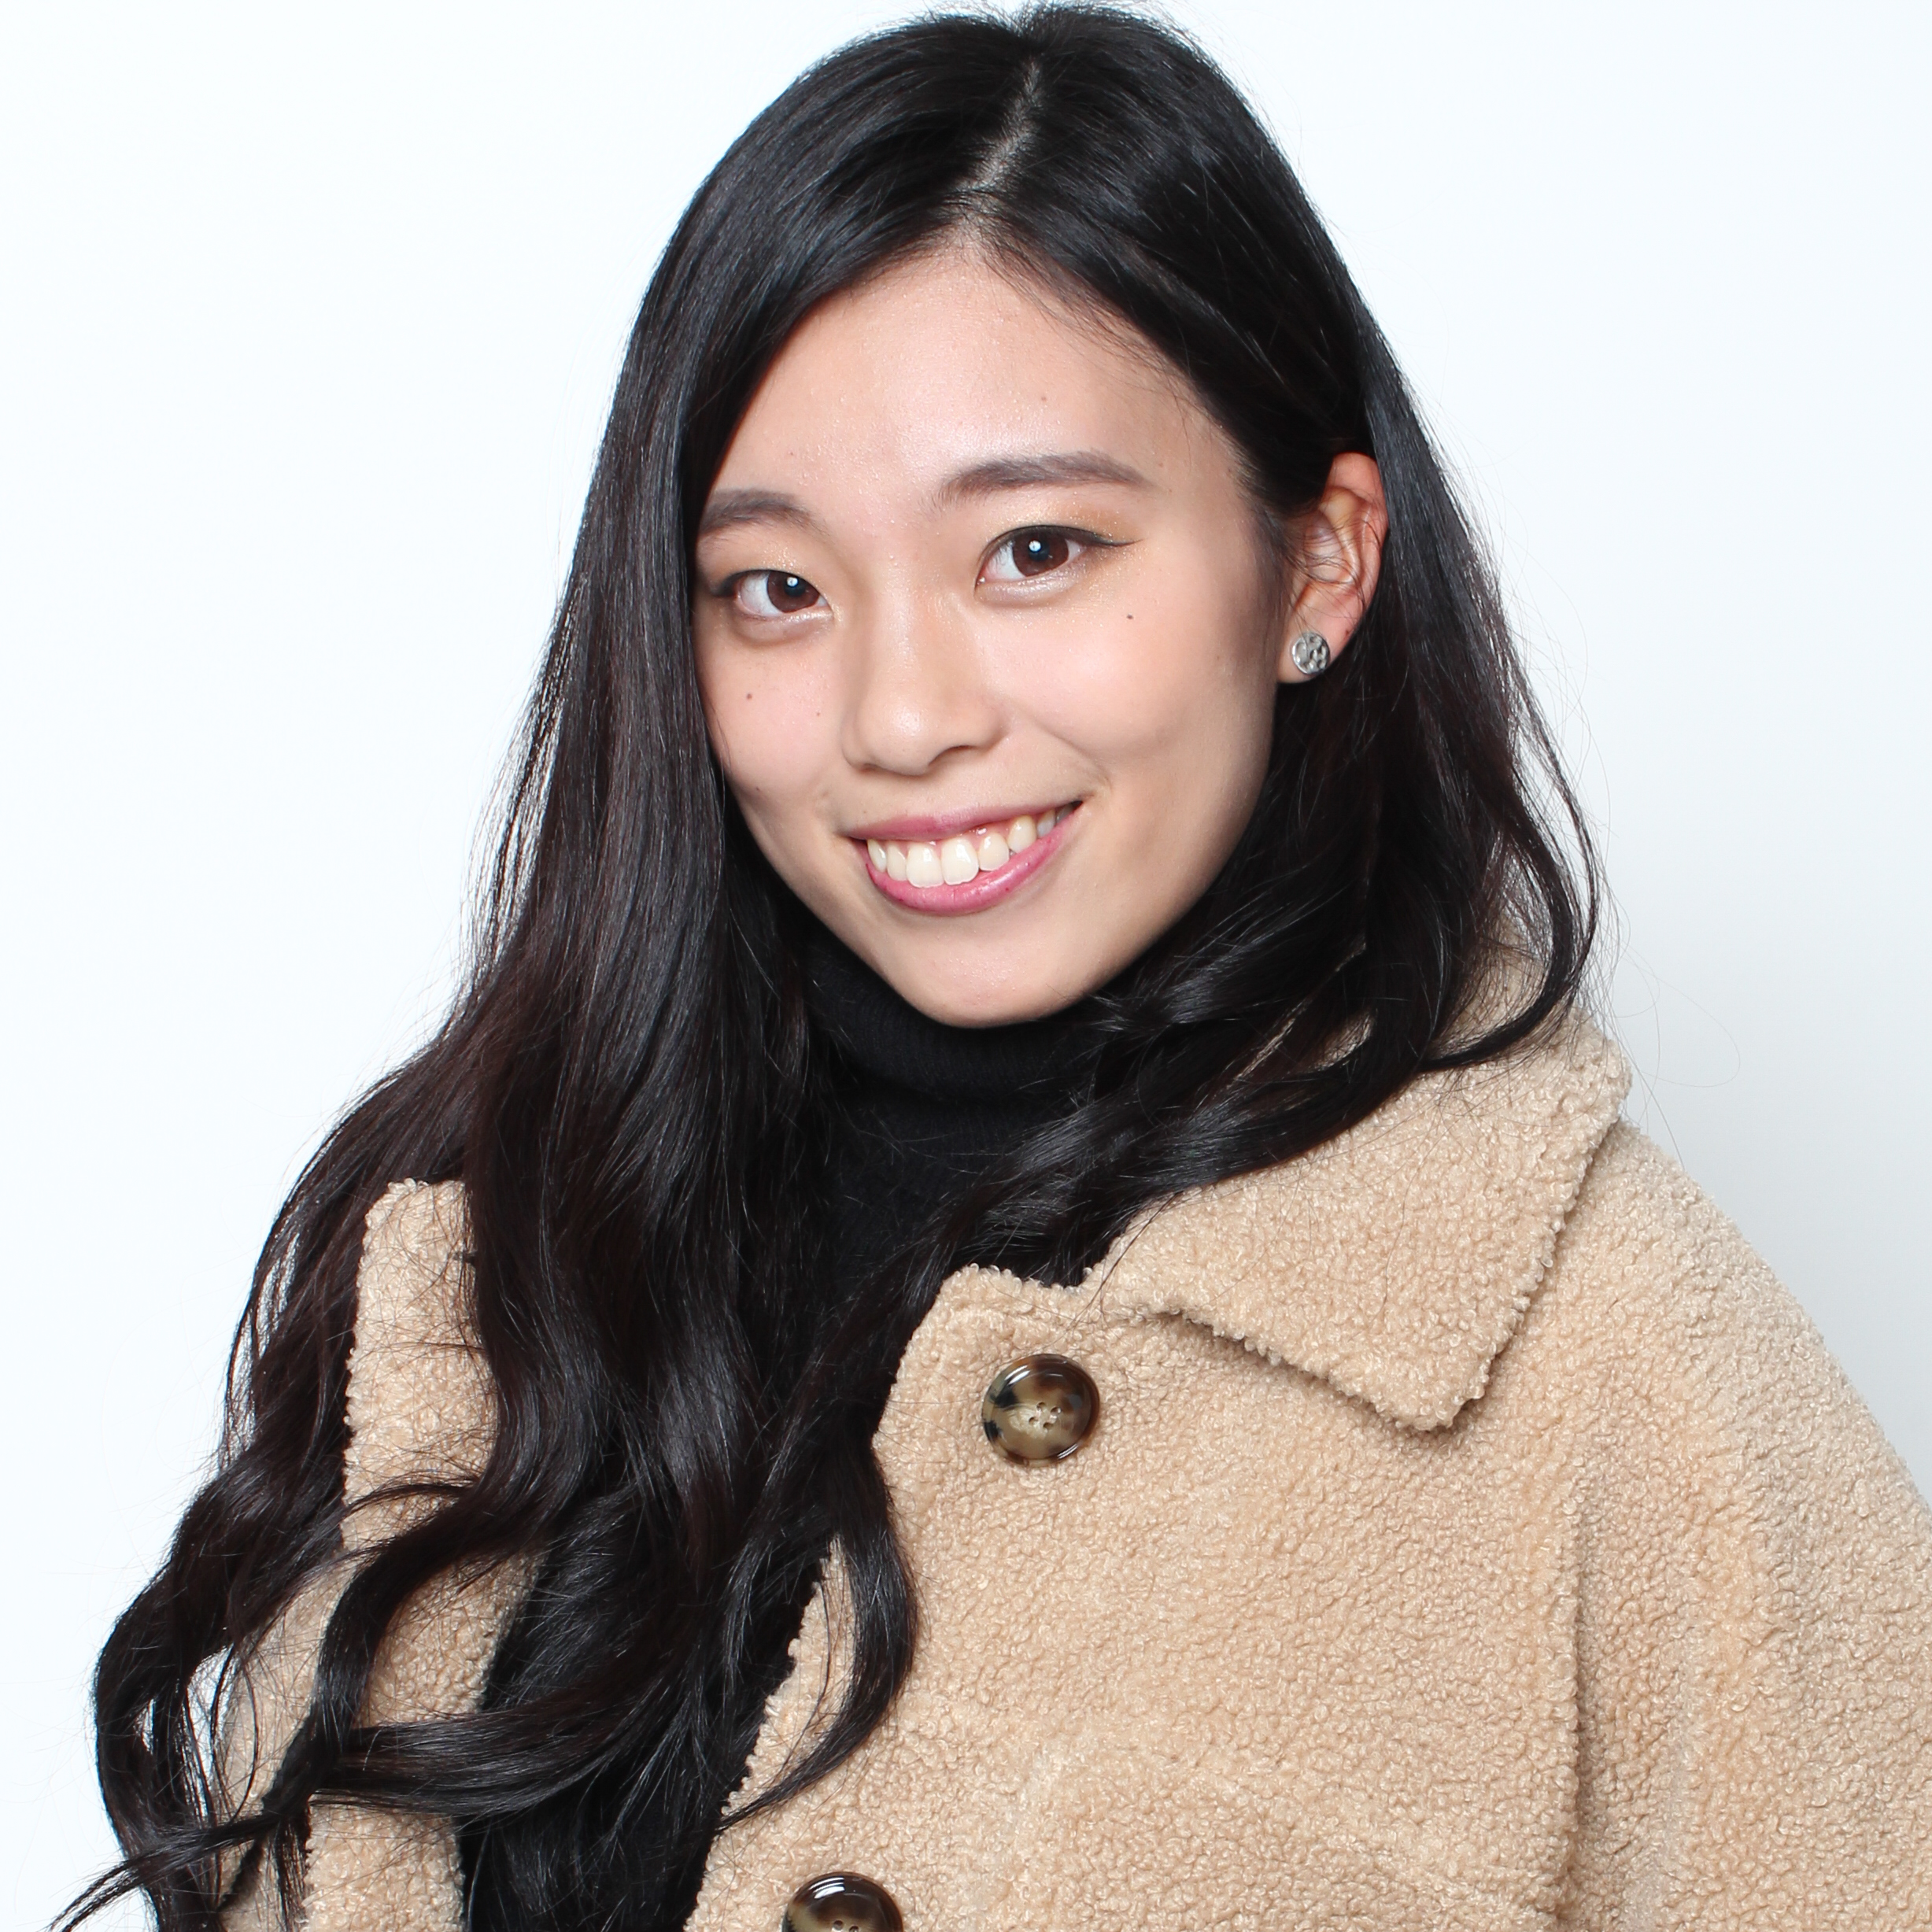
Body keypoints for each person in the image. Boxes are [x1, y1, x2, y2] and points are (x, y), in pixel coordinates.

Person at [69, 9, 1932, 1930]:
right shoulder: (503, 1251)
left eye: (1035, 549)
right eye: (777, 589)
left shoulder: (1603, 1359)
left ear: (1317, 562)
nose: (901, 715)